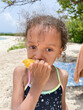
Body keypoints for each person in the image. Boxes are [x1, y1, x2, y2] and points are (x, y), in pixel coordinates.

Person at [11, 15, 68, 110]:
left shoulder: (62, 76)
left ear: (59, 52)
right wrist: (37, 84)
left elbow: (63, 104)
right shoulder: (21, 74)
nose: (38, 56)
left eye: (49, 49)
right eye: (33, 47)